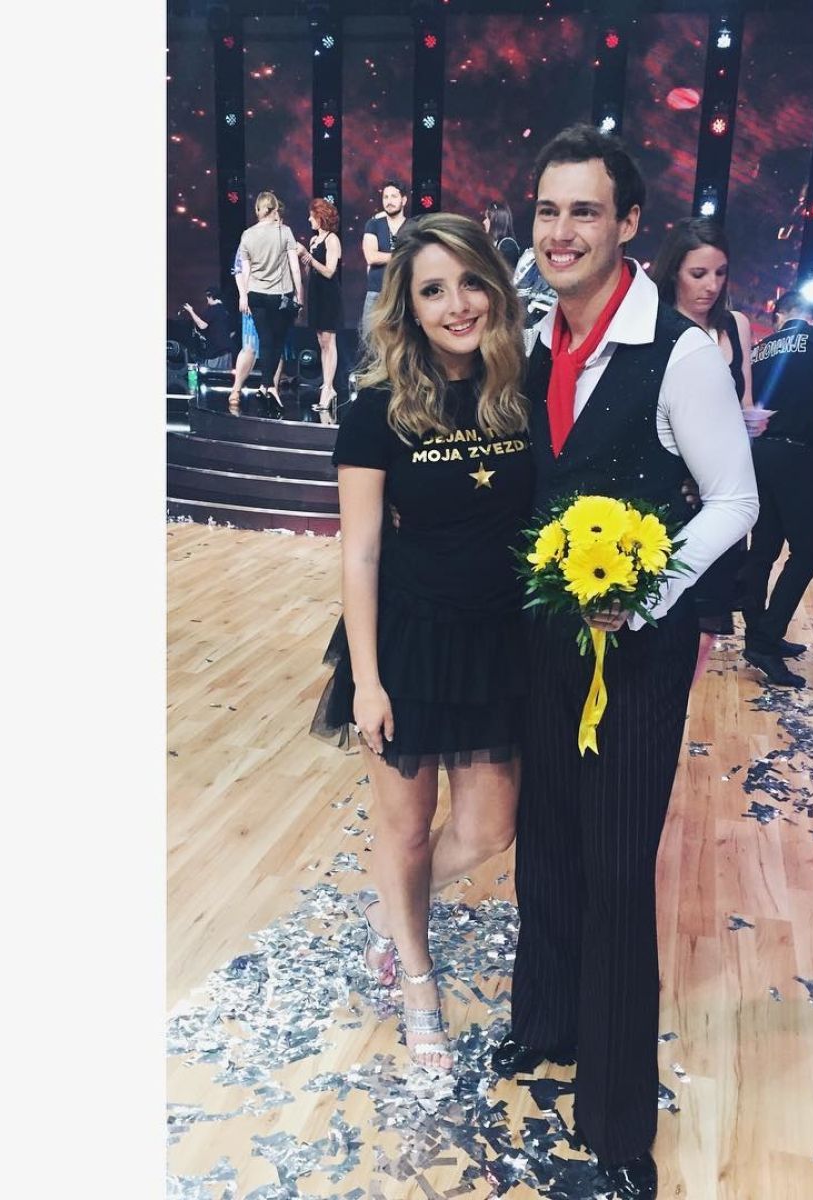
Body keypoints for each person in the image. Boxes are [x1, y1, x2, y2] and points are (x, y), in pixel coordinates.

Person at [490, 125, 759, 1200]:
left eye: (585, 212)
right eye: (548, 211)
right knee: (546, 844)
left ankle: (614, 1122)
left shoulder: (679, 353)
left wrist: (644, 593)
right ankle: (546, 1026)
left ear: (629, 223)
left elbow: (735, 500)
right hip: (542, 645)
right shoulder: (534, 337)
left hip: (638, 663)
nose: (561, 232)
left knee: (612, 869)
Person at [310, 213, 532, 1072]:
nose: (457, 305)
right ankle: (416, 978)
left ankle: (388, 909)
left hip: (496, 642)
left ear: (495, 288)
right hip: (407, 641)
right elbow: (360, 552)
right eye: (433, 291)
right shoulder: (378, 410)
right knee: (404, 832)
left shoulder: (520, 390)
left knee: (489, 829)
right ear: (408, 307)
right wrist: (367, 681)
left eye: (470, 282)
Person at [649, 217, 762, 683]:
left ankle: (679, 714)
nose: (711, 285)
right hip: (671, 496)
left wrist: (749, 423)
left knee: (707, 629)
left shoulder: (735, 326)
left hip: (719, 495)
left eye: (720, 273)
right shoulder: (655, 329)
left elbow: (744, 400)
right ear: (674, 270)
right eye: (699, 273)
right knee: (662, 621)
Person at [739, 289, 813, 688]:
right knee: (808, 552)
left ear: (779, 315)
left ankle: (758, 633)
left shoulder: (760, 350)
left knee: (763, 549)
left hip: (759, 455)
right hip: (799, 457)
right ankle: (765, 640)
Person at [236, 191, 303, 411]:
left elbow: (245, 270)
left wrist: (244, 295)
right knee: (277, 342)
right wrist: (300, 296)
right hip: (279, 296)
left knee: (266, 340)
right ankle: (267, 386)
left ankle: (267, 387)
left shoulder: (247, 234)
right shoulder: (285, 232)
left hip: (255, 295)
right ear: (274, 210)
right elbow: (295, 267)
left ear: (257, 210)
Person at [299, 197, 345, 411]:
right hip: (315, 294)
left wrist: (309, 257)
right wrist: (305, 262)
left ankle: (328, 387)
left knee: (329, 340)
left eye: (312, 216)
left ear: (320, 217)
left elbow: (329, 271)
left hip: (329, 295)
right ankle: (327, 386)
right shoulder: (313, 240)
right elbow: (311, 271)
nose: (309, 220)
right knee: (321, 341)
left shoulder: (332, 240)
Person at [227, 245, 282, 408]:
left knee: (276, 347)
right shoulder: (249, 238)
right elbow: (238, 269)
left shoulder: (283, 237)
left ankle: (272, 390)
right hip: (254, 298)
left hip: (277, 299)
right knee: (249, 347)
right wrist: (244, 295)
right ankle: (236, 389)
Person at [361, 180, 409, 344]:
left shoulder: (412, 227)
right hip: (376, 292)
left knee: (401, 343)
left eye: (394, 196)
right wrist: (402, 254)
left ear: (403, 200)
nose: (389, 201)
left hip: (403, 293)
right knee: (369, 343)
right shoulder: (373, 225)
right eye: (385, 197)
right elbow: (371, 257)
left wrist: (387, 256)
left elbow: (416, 256)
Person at [183, 288, 234, 371]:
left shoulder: (212, 309)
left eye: (207, 297)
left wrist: (191, 311)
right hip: (227, 353)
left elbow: (202, 325)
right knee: (225, 376)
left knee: (213, 375)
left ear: (210, 297)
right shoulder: (225, 310)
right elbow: (232, 332)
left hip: (216, 353)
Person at [483, 200, 521, 271]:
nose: (484, 222)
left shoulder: (507, 245)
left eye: (487, 218)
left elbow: (507, 274)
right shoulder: (493, 243)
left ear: (496, 220)